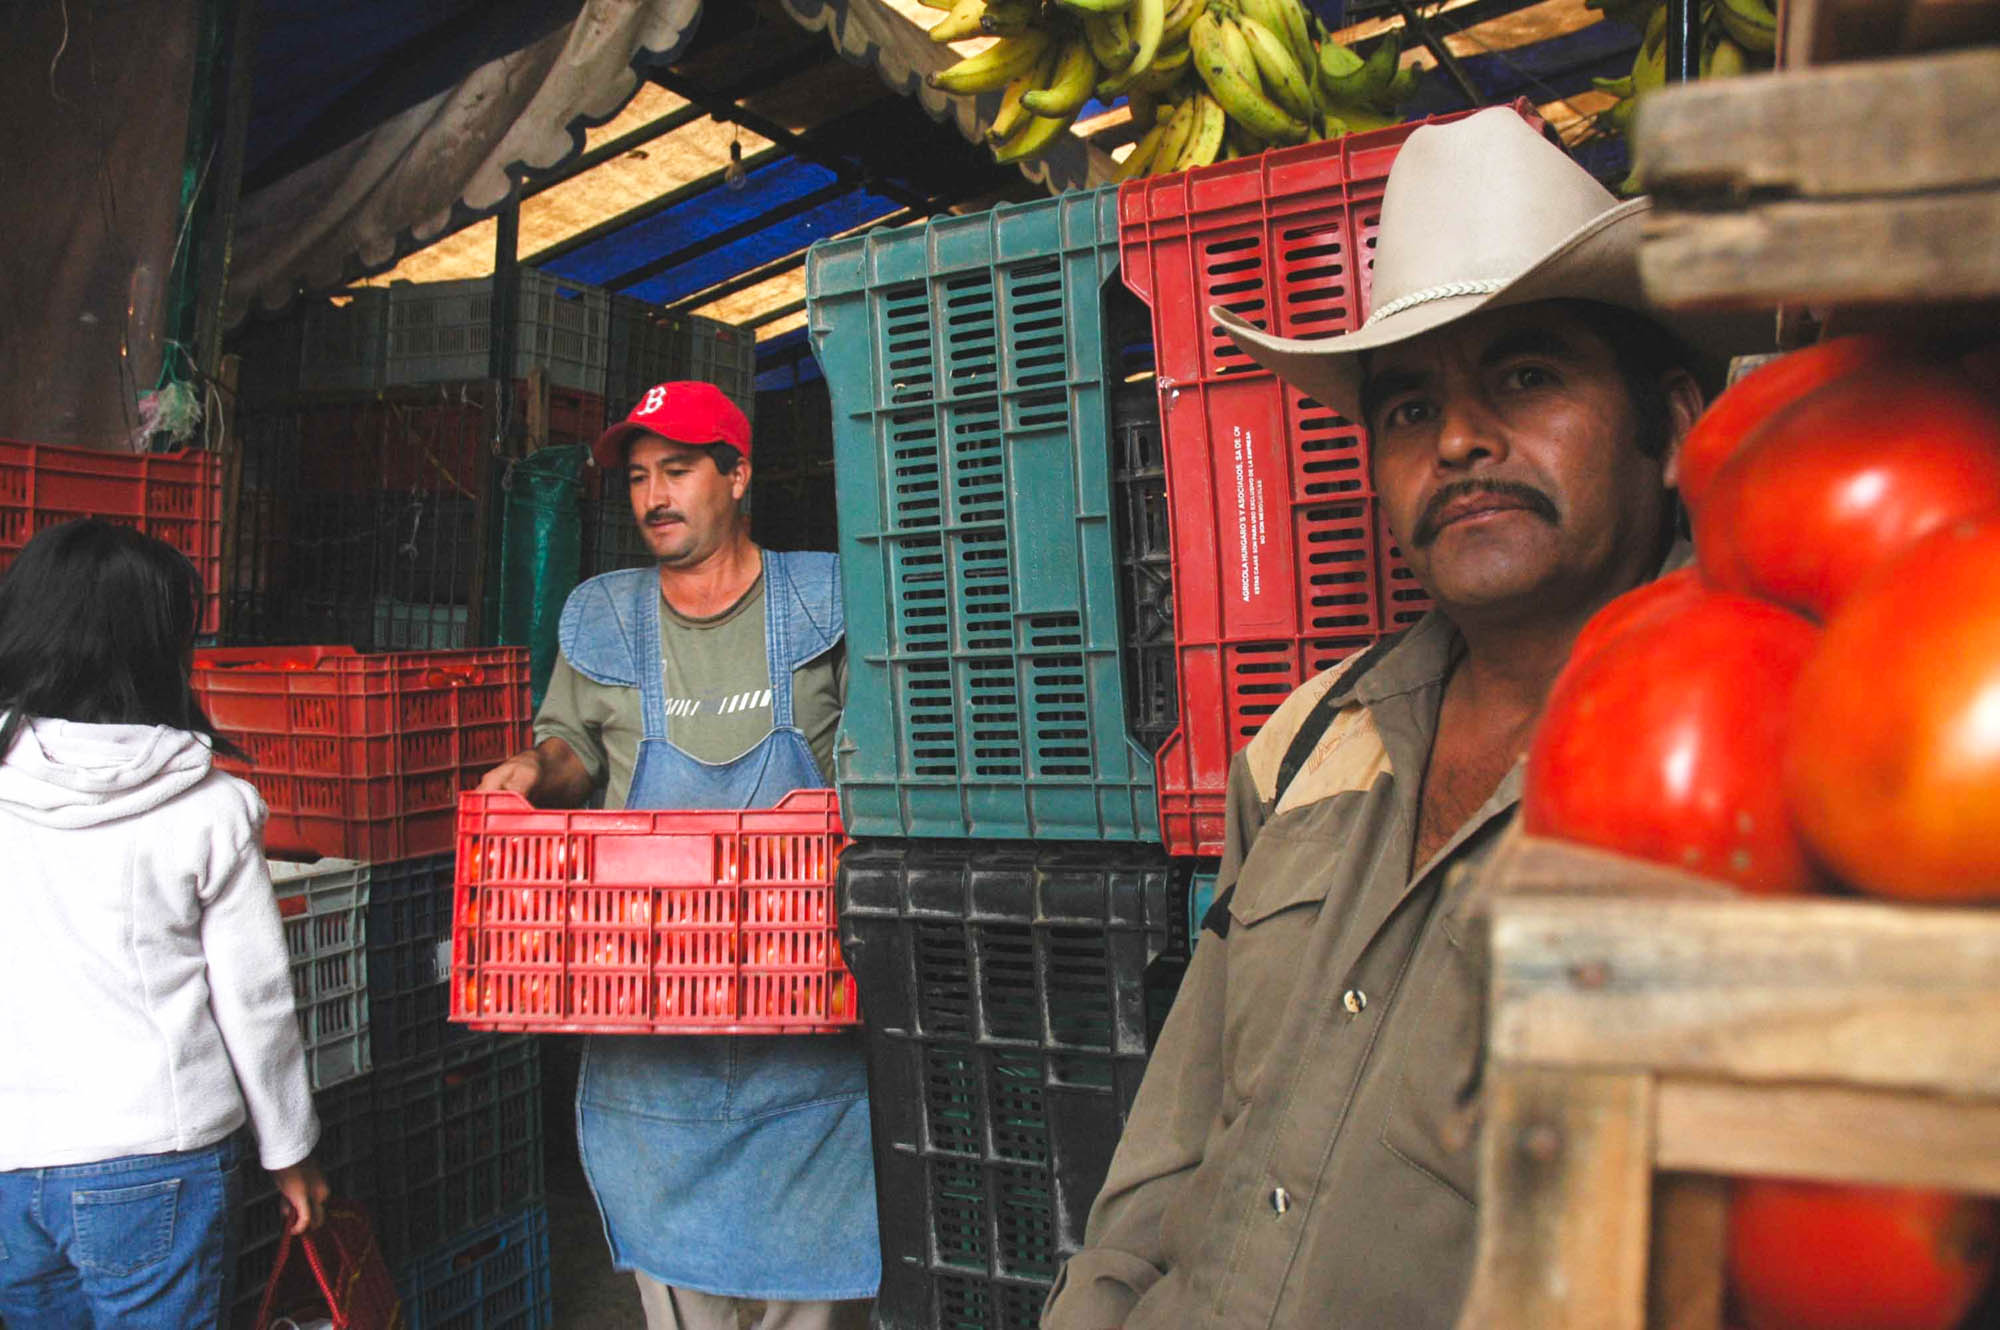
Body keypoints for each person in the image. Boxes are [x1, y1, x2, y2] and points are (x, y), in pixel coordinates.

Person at [1042, 108, 1745, 1329]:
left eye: (1525, 375)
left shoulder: (1749, 757)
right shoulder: (1307, 743)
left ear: (1672, 425)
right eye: (1409, 407)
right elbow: (1163, 1158)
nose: (1460, 439)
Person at [479, 381, 876, 1330]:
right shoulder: (605, 616)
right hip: (647, 1009)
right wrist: (535, 767)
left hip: (802, 1012)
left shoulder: (822, 600)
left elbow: (883, 762)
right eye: (640, 476)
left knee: (807, 1300)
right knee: (680, 1298)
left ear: (737, 477)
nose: (654, 494)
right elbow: (576, 749)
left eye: (680, 470)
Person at [0, 519, 329, 1330]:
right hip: (156, 1150)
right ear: (158, 647)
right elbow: (255, 1002)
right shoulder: (210, 807)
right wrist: (291, 1153)